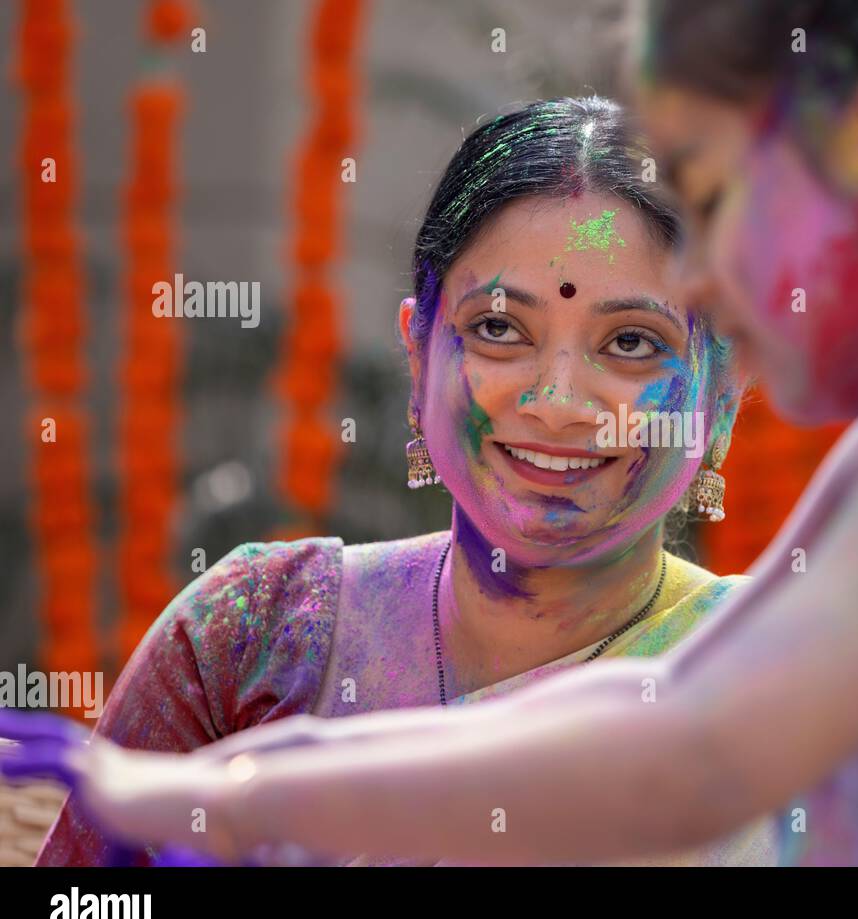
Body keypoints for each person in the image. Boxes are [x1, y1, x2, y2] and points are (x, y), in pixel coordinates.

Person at [3, 0, 858, 866]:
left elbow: (691, 749)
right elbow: (666, 695)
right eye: (499, 331)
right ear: (418, 341)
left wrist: (219, 797)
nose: (710, 280)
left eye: (714, 197)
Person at [21, 96, 773, 866]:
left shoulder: (785, 681)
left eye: (631, 342)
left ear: (721, 397)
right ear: (418, 356)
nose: (555, 405)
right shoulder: (255, 635)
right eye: (499, 328)